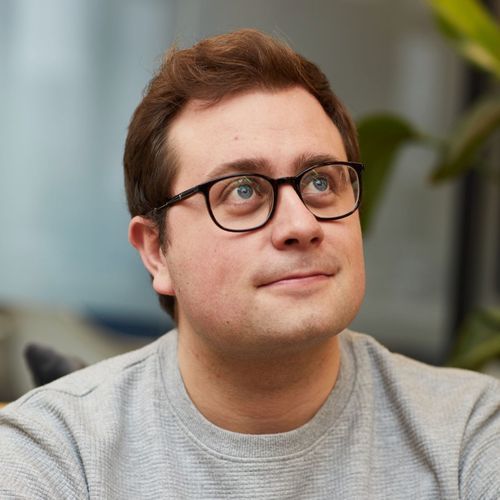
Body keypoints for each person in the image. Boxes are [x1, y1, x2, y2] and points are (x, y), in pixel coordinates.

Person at [1, 29, 499, 499]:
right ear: (156, 251)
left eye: (321, 182)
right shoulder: (55, 453)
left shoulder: (470, 435)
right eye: (242, 191)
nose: (301, 224)